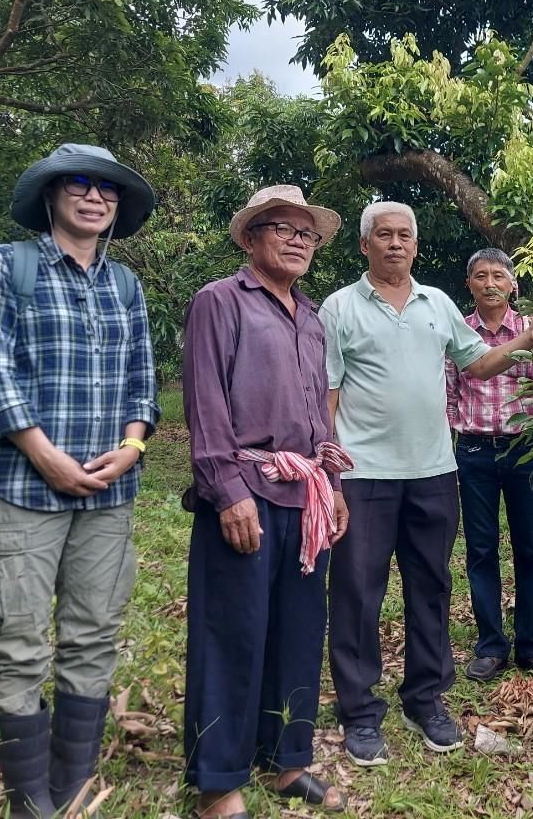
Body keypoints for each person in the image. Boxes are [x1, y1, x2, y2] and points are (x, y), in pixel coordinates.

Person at [320, 202, 533, 767]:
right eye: (382, 235)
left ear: (415, 244)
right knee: (359, 591)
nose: (394, 243)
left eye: (404, 235)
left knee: (431, 586)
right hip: (363, 476)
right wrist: (331, 472)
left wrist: (529, 340)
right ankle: (360, 709)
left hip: (435, 471)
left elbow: (478, 364)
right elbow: (328, 395)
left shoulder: (438, 305)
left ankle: (424, 698)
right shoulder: (338, 308)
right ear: (365, 245)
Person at [0, 144, 158, 817]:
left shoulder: (124, 285)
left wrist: (132, 447)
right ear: (50, 196)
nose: (95, 197)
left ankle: (70, 782)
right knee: (15, 641)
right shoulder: (2, 267)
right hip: (19, 488)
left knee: (93, 632)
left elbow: (142, 381)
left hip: (108, 494)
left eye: (107, 189)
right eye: (79, 184)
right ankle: (28, 798)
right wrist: (41, 452)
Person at [182, 185, 352, 819]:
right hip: (247, 489)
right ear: (250, 238)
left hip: (304, 496)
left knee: (298, 631)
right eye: (281, 227)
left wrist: (332, 487)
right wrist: (227, 491)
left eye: (306, 232)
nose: (298, 239)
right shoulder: (220, 301)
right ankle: (218, 781)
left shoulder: (310, 317)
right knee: (231, 633)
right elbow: (205, 405)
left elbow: (318, 416)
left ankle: (287, 762)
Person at [445, 248, 533, 682]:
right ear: (469, 283)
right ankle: (491, 646)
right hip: (474, 453)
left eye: (498, 276)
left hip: (524, 449)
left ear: (513, 283)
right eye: (480, 276)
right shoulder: (458, 331)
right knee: (480, 549)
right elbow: (450, 392)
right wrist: (457, 434)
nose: (490, 283)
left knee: (530, 548)